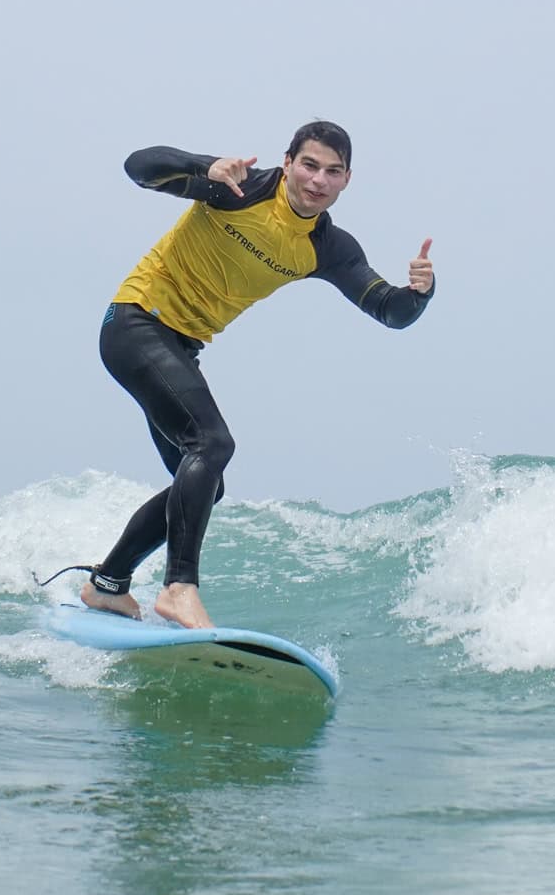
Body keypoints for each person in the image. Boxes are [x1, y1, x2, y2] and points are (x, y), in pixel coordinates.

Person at [79, 119, 435, 629]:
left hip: (180, 347)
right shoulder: (237, 189)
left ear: (346, 180)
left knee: (205, 482)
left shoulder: (328, 248)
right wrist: (203, 166)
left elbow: (389, 311)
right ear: (288, 162)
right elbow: (139, 168)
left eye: (333, 172)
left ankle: (108, 584)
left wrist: (420, 293)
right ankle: (179, 588)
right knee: (212, 445)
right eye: (309, 165)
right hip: (136, 321)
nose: (318, 180)